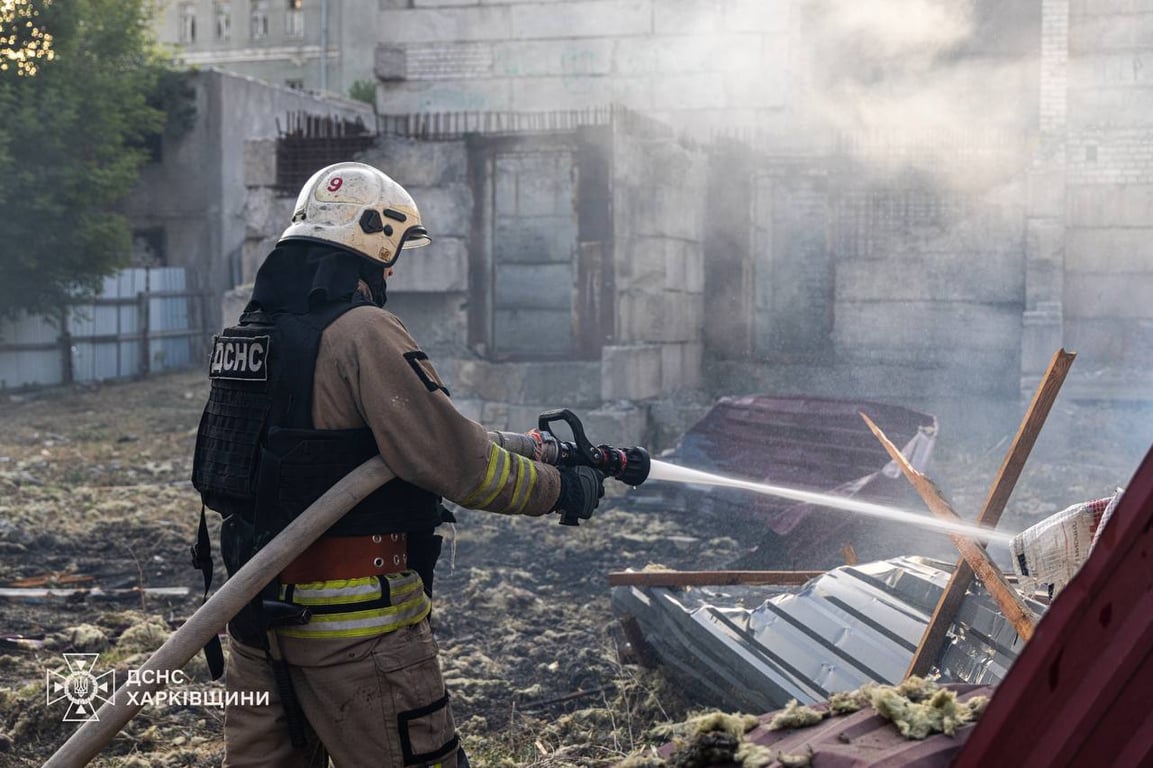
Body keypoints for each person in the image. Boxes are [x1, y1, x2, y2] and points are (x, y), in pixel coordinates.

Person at [190, 161, 607, 768]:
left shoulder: (249, 335)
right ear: (373, 242)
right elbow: (455, 462)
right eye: (394, 252)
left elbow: (388, 441)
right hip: (357, 638)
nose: (392, 269)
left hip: (255, 621)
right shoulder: (364, 332)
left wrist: (539, 447)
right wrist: (560, 490)